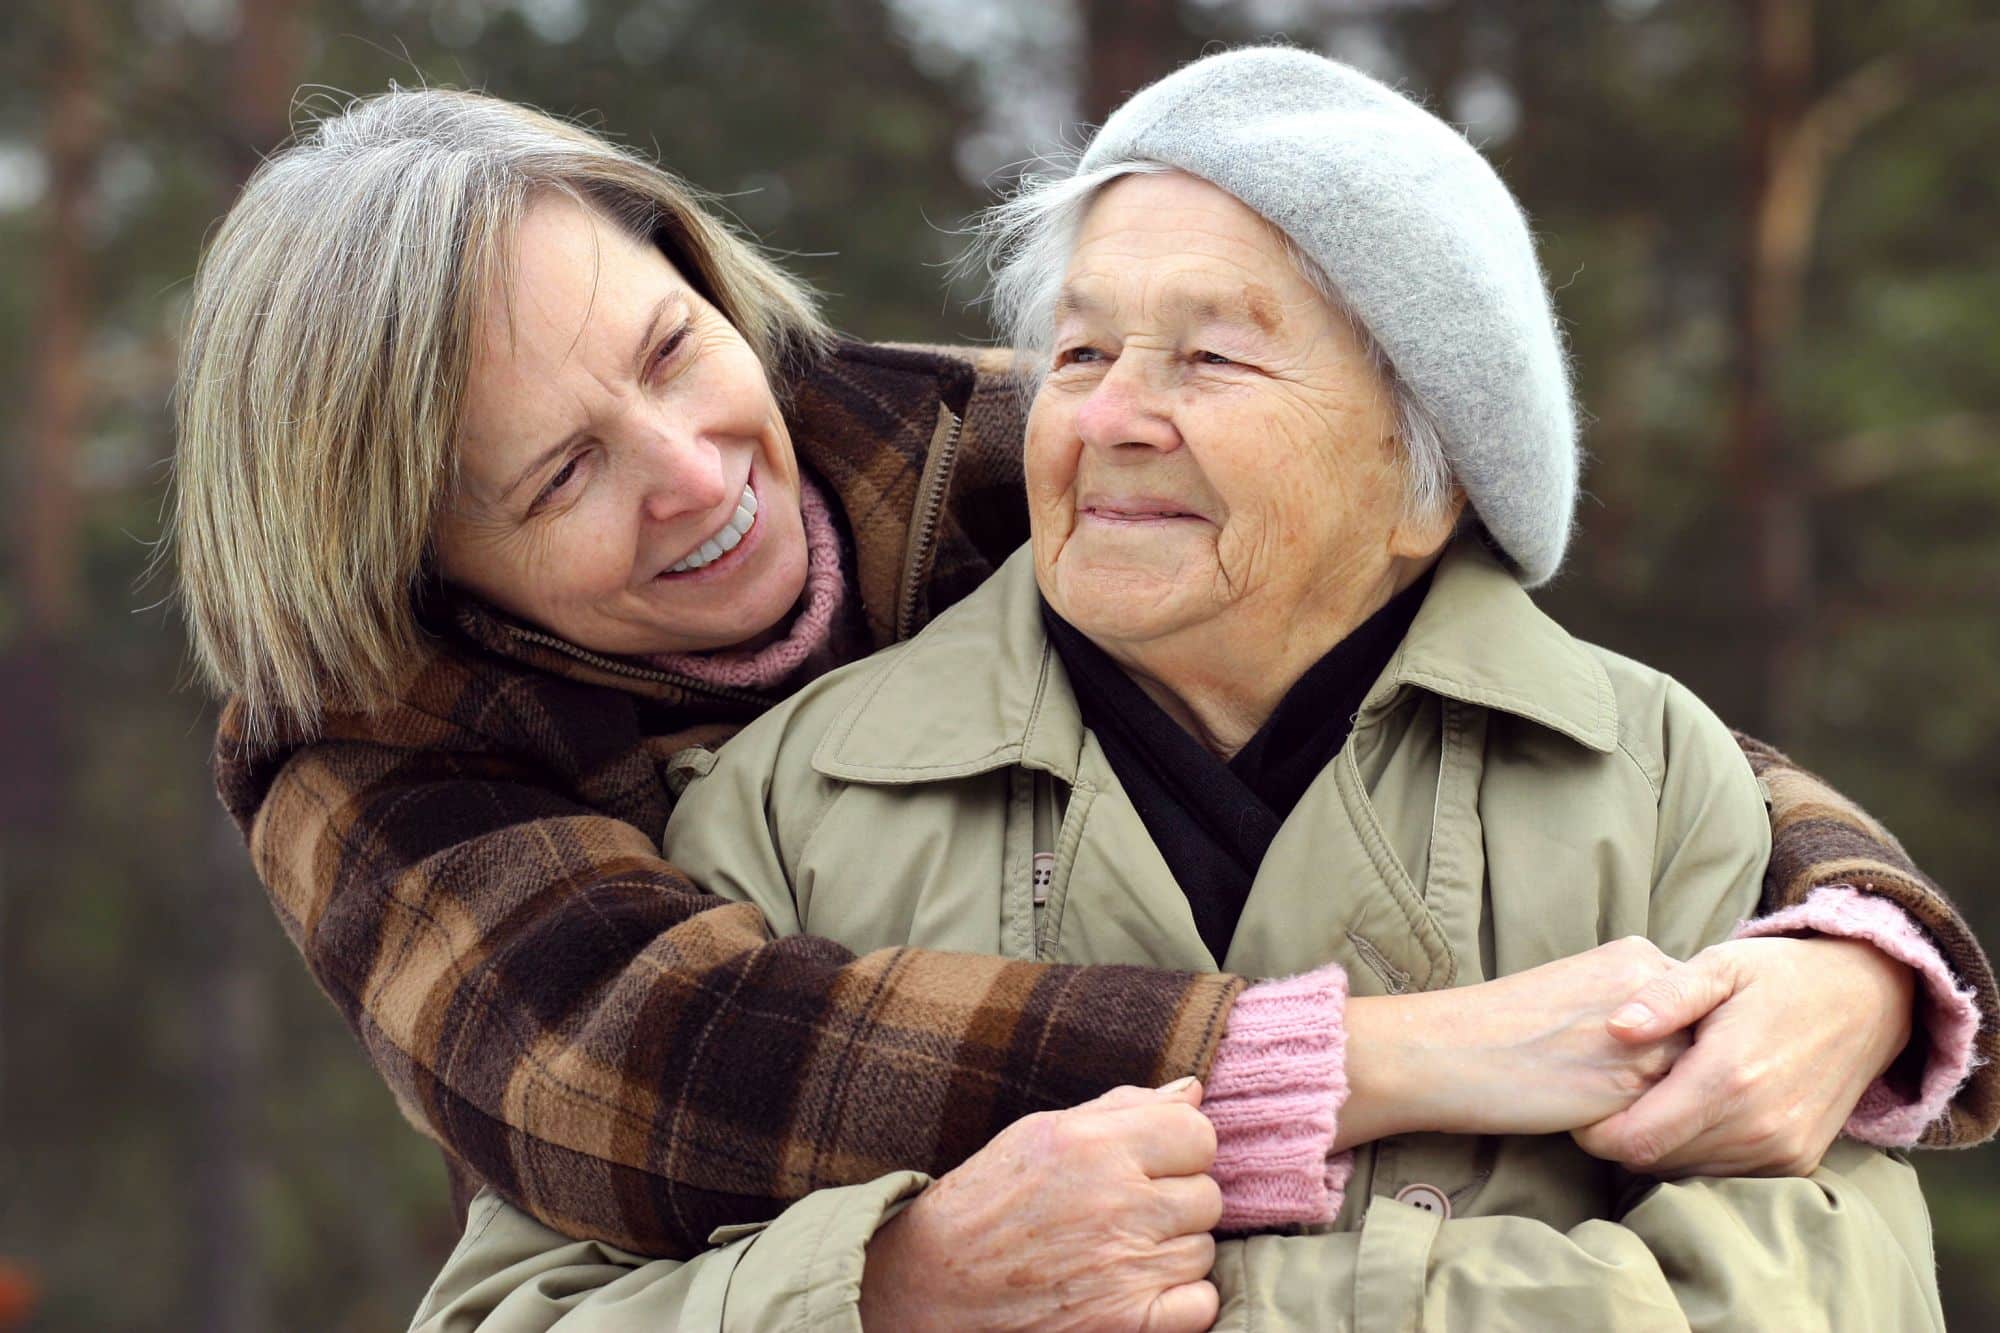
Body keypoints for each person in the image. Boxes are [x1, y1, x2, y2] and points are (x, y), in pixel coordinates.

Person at [165, 67, 1986, 1328]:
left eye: (670, 347)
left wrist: (1853, 939)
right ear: (421, 567)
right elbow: (651, 1067)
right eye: (558, 477)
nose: (699, 469)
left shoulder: (968, 440)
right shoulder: (388, 749)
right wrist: (900, 1291)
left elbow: (1551, 706)